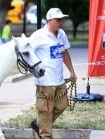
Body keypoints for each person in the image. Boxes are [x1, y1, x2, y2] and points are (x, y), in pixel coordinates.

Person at [29, 8, 77, 139]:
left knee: (62, 105)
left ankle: (38, 123)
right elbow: (26, 52)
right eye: (58, 19)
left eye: (62, 19)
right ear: (50, 20)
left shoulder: (61, 34)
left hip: (59, 80)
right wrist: (33, 69)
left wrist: (72, 71)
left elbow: (64, 53)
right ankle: (45, 135)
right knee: (46, 111)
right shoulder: (38, 35)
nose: (61, 22)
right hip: (45, 81)